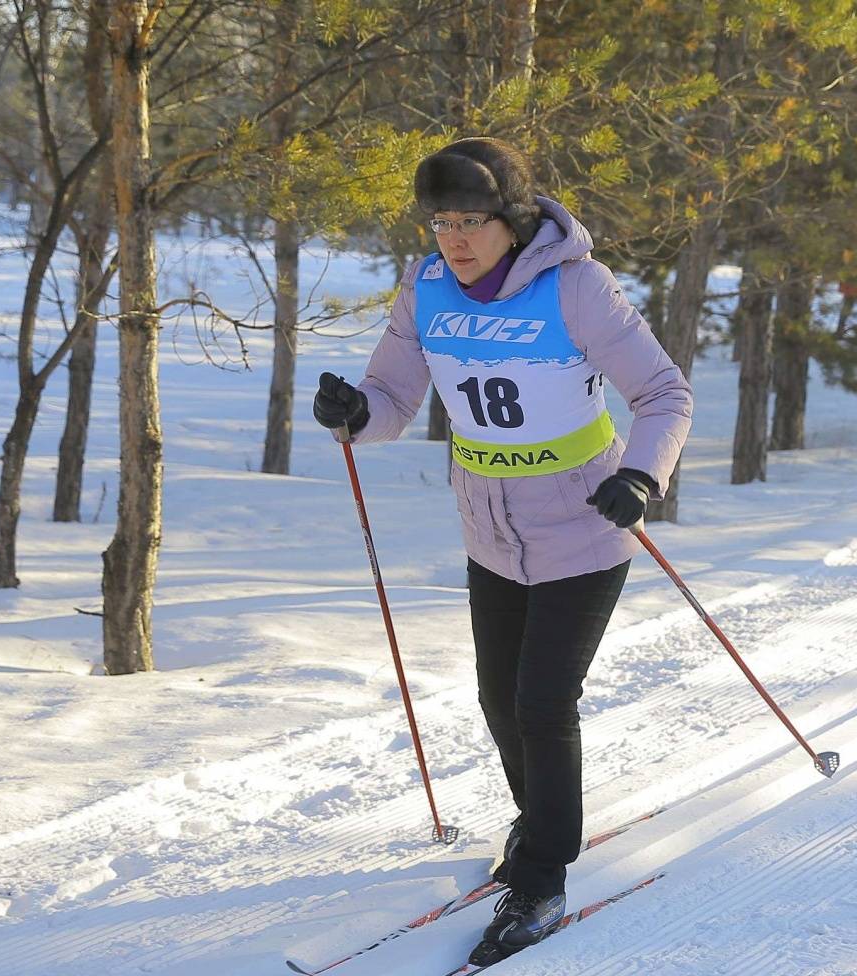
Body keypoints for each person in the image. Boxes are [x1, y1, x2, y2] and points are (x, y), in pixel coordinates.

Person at [312, 137, 692, 965]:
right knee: (495, 697)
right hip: (489, 529)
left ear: (513, 220)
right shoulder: (428, 290)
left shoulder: (576, 288)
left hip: (585, 526)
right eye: (441, 221)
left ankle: (545, 874)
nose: (455, 237)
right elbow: (393, 398)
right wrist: (354, 412)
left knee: (541, 703)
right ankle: (539, 821)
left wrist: (640, 475)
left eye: (473, 220)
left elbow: (664, 393)